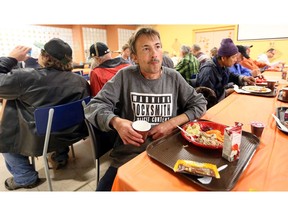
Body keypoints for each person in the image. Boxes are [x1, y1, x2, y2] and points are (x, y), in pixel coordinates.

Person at [84, 27, 207, 191]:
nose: (154, 54)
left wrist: (171, 123)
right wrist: (116, 122)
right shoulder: (124, 76)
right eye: (146, 49)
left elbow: (200, 103)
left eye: (157, 46)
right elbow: (94, 106)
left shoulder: (173, 77)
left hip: (169, 152)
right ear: (134, 57)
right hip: (130, 155)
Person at [0, 38, 91, 190]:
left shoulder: (26, 77)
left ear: (46, 57)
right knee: (57, 116)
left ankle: (25, 177)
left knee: (4, 136)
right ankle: (60, 157)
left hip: (38, 140)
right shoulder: (80, 81)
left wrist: (11, 59)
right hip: (71, 134)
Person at [196, 38, 255, 102]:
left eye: (236, 57)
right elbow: (207, 96)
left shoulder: (223, 66)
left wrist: (244, 78)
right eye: (233, 57)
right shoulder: (208, 70)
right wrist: (225, 93)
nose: (235, 60)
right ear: (223, 58)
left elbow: (230, 75)